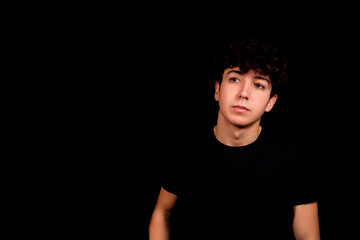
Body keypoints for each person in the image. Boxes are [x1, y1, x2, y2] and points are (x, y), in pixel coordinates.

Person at [149, 35, 321, 240]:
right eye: (234, 79)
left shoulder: (295, 160)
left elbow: (308, 236)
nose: (244, 93)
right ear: (217, 90)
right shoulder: (185, 153)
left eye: (259, 85)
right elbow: (161, 213)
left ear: (270, 103)